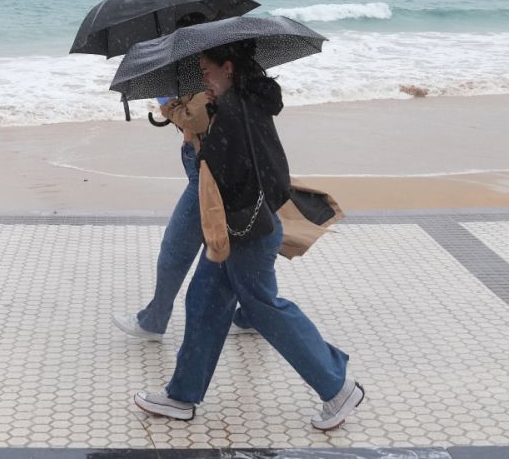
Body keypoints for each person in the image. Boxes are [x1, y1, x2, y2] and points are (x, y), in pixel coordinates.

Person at [133, 40, 365, 432]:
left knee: (264, 307)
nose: (203, 78)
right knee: (204, 301)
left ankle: (337, 386)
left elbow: (234, 176)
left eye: (206, 71)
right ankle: (182, 395)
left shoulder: (235, 112)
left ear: (228, 67)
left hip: (247, 233)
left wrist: (202, 145)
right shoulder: (245, 101)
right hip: (246, 228)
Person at [112, 15, 254, 342]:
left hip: (208, 170)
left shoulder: (208, 71)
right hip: (219, 165)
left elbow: (199, 116)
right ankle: (250, 315)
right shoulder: (208, 67)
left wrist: (168, 106)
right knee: (239, 247)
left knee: (176, 247)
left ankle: (153, 320)